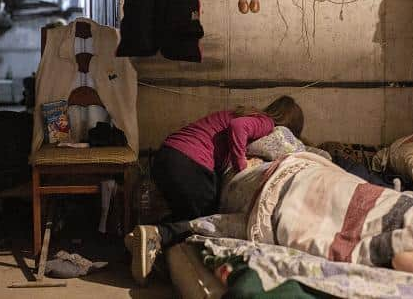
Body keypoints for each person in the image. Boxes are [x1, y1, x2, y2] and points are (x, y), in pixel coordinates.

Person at [126, 95, 304, 284]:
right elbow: (239, 127)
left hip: (168, 155)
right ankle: (155, 236)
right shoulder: (265, 122)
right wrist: (241, 164)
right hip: (188, 161)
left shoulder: (241, 112)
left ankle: (145, 239)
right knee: (205, 222)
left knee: (185, 216)